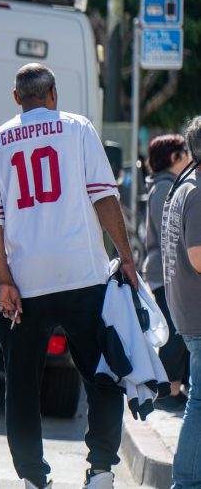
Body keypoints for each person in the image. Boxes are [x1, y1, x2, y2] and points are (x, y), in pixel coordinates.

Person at [0, 63, 137, 489]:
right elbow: (104, 197)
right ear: (54, 94)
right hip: (82, 275)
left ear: (16, 99)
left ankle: (33, 478)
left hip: (27, 282)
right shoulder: (78, 128)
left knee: (22, 385)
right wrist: (126, 257)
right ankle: (101, 470)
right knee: (103, 373)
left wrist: (4, 281)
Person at [161, 116, 201, 489]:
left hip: (189, 314)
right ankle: (186, 481)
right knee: (200, 403)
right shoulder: (197, 191)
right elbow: (198, 256)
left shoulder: (182, 186)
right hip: (199, 318)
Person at [142, 134, 191, 399]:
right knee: (174, 332)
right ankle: (168, 392)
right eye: (186, 154)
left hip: (166, 272)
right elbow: (170, 235)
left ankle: (173, 388)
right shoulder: (164, 188)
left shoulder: (168, 186)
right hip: (165, 273)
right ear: (174, 157)